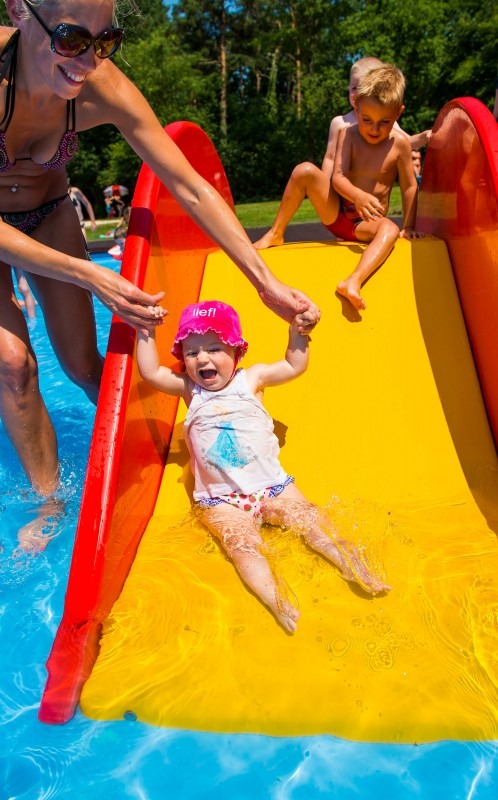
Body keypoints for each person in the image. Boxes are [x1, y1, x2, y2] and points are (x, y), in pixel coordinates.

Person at [0, 0, 319, 499]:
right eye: (71, 39)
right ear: (20, 11)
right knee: (14, 362)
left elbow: (189, 187)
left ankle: (155, 453)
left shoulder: (101, 86)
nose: (88, 62)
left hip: (49, 212)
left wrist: (266, 283)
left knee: (86, 367)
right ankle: (48, 504)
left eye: (105, 42)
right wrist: (89, 273)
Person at [137, 300, 390, 632]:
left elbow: (292, 365)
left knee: (313, 522)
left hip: (273, 486)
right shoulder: (190, 389)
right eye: (192, 352)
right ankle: (276, 599)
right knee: (242, 548)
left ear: (236, 352)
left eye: (214, 348)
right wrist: (145, 329)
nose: (202, 358)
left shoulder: (251, 379)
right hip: (222, 500)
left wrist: (297, 333)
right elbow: (151, 372)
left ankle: (354, 565)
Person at [254, 64, 422, 312]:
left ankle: (353, 280)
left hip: (365, 224)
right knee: (304, 170)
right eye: (367, 120)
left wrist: (409, 226)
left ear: (399, 113)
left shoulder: (400, 145)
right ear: (357, 107)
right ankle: (276, 232)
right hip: (337, 212)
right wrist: (358, 196)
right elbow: (338, 178)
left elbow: (409, 186)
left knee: (389, 228)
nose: (374, 129)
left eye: (384, 122)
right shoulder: (349, 135)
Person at [321, 57, 432, 179]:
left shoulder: (387, 123)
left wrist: (425, 136)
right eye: (354, 88)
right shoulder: (339, 123)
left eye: (363, 88)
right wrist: (325, 186)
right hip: (342, 188)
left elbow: (407, 142)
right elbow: (330, 158)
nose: (357, 94)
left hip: (372, 188)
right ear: (348, 88)